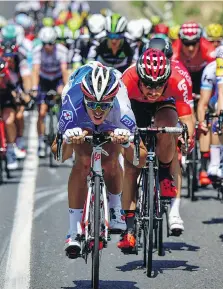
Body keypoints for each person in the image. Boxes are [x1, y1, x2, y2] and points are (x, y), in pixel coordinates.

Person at [51, 62, 147, 258]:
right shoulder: (71, 104)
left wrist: (127, 143)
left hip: (113, 123)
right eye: (93, 104)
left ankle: (115, 208)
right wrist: (69, 139)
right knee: (83, 161)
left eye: (103, 106)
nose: (97, 110)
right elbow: (60, 155)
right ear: (85, 98)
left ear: (111, 101)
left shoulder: (122, 108)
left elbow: (141, 159)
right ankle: (73, 230)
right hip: (79, 118)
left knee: (112, 158)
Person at [118, 49, 195, 249]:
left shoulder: (177, 80)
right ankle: (129, 228)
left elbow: (186, 117)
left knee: (169, 128)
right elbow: (117, 116)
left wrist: (188, 139)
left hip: (166, 104)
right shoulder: (127, 79)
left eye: (159, 85)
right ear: (140, 78)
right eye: (148, 85)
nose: (153, 91)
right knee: (133, 164)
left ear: (166, 80)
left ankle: (163, 173)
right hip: (134, 106)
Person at [172, 21, 216, 186]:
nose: (190, 48)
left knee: (204, 113)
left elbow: (215, 74)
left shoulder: (208, 50)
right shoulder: (175, 52)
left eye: (194, 43)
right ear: (180, 41)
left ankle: (204, 166)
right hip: (181, 77)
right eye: (186, 43)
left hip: (202, 79)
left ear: (200, 41)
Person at [32, 26, 68, 157]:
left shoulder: (62, 50)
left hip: (57, 78)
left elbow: (64, 70)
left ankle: (62, 138)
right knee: (41, 112)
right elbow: (35, 70)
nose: (48, 46)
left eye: (51, 43)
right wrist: (35, 87)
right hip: (44, 79)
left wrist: (66, 87)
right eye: (45, 44)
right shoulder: (37, 51)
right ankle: (41, 142)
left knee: (63, 108)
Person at [198, 46, 223, 180]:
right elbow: (204, 101)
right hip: (218, 97)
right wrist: (202, 121)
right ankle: (213, 162)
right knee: (217, 115)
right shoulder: (211, 69)